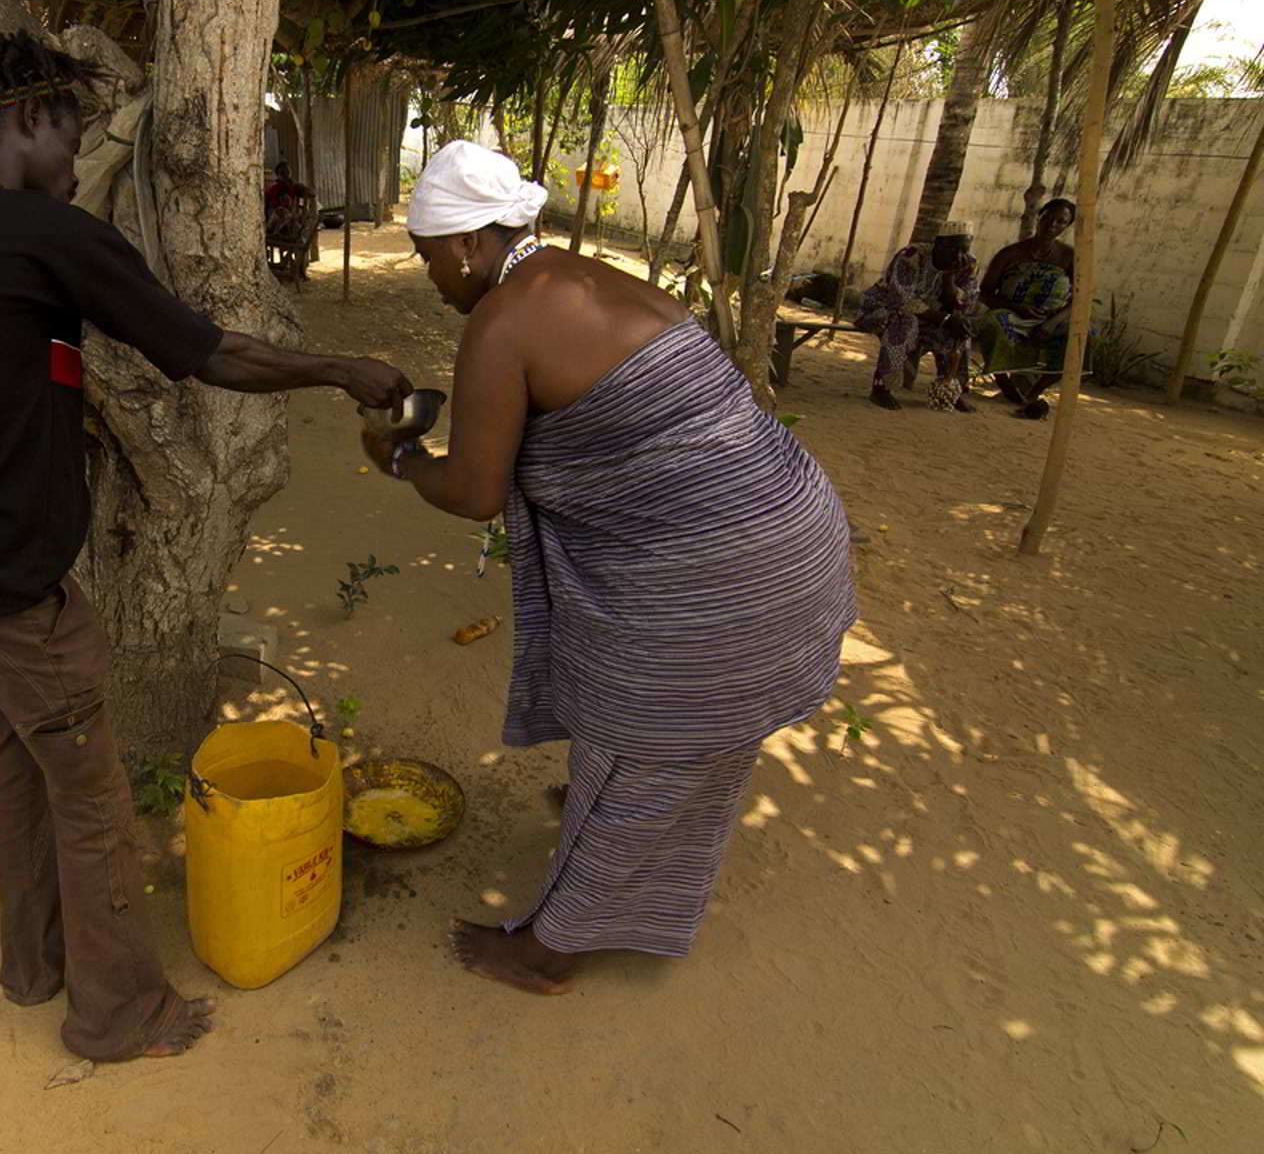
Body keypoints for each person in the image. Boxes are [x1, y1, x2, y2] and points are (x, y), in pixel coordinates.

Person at [0, 33, 411, 1062]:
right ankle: (121, 1012)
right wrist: (343, 367)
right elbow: (213, 351)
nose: (78, 160)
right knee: (94, 798)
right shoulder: (40, 234)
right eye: (72, 131)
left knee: (21, 768)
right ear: (26, 117)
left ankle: (33, 966)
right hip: (18, 581)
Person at [363, 140, 855, 994]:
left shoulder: (504, 317)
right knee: (677, 745)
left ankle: (552, 948)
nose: (431, 276)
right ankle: (604, 823)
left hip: (722, 574)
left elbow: (478, 491)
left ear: (470, 243)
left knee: (651, 744)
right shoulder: (597, 281)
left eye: (428, 254)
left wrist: (398, 461)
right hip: (787, 533)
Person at [854, 222, 979, 412]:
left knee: (959, 331)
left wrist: (949, 277)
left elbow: (962, 304)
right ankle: (882, 387)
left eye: (964, 249)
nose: (959, 254)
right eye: (953, 248)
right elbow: (901, 300)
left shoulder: (967, 264)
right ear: (938, 244)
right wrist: (944, 319)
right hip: (881, 309)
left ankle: (950, 389)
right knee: (905, 321)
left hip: (930, 316)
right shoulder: (912, 256)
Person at [977, 198, 1079, 419]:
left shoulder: (1070, 257)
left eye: (1060, 222)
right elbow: (985, 293)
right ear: (1039, 217)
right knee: (992, 325)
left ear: (1066, 227)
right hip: (1013, 315)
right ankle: (1008, 389)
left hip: (1052, 318)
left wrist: (1053, 322)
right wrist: (1017, 308)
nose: (1052, 225)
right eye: (1048, 218)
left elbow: (1081, 299)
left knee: (1084, 338)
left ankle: (1034, 392)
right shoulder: (1010, 254)